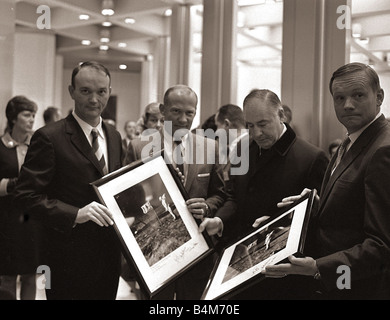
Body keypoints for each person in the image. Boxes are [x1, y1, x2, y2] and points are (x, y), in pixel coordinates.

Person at [264, 62, 390, 300]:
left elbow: (382, 245)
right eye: (339, 98)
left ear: (379, 96)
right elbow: (350, 214)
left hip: (360, 288)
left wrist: (318, 267)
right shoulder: (351, 140)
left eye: (358, 95)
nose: (347, 105)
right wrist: (312, 207)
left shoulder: (383, 150)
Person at [200, 89, 329, 299]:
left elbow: (317, 219)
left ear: (281, 116)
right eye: (250, 126)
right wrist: (219, 221)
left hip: (282, 274)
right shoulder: (244, 148)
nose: (256, 133)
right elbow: (234, 196)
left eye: (263, 124)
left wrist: (277, 225)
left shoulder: (312, 157)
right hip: (240, 262)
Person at [14, 61, 124, 300]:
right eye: (85, 91)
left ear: (109, 91)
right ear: (71, 91)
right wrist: (75, 214)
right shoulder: (50, 137)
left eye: (102, 92)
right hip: (65, 259)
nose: (94, 99)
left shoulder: (114, 137)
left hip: (108, 256)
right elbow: (26, 195)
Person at [124, 84, 227, 300]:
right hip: (154, 252)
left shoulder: (211, 148)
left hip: (197, 250)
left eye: (189, 113)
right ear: (162, 110)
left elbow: (220, 194)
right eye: (176, 111)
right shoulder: (138, 147)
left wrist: (207, 206)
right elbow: (126, 199)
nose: (183, 119)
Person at [0, 96, 39, 300]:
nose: (32, 119)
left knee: (31, 273)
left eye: (33, 115)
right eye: (26, 114)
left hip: (32, 218)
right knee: (7, 274)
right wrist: (16, 184)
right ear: (13, 118)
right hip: (6, 219)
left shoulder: (38, 144)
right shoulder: (1, 146)